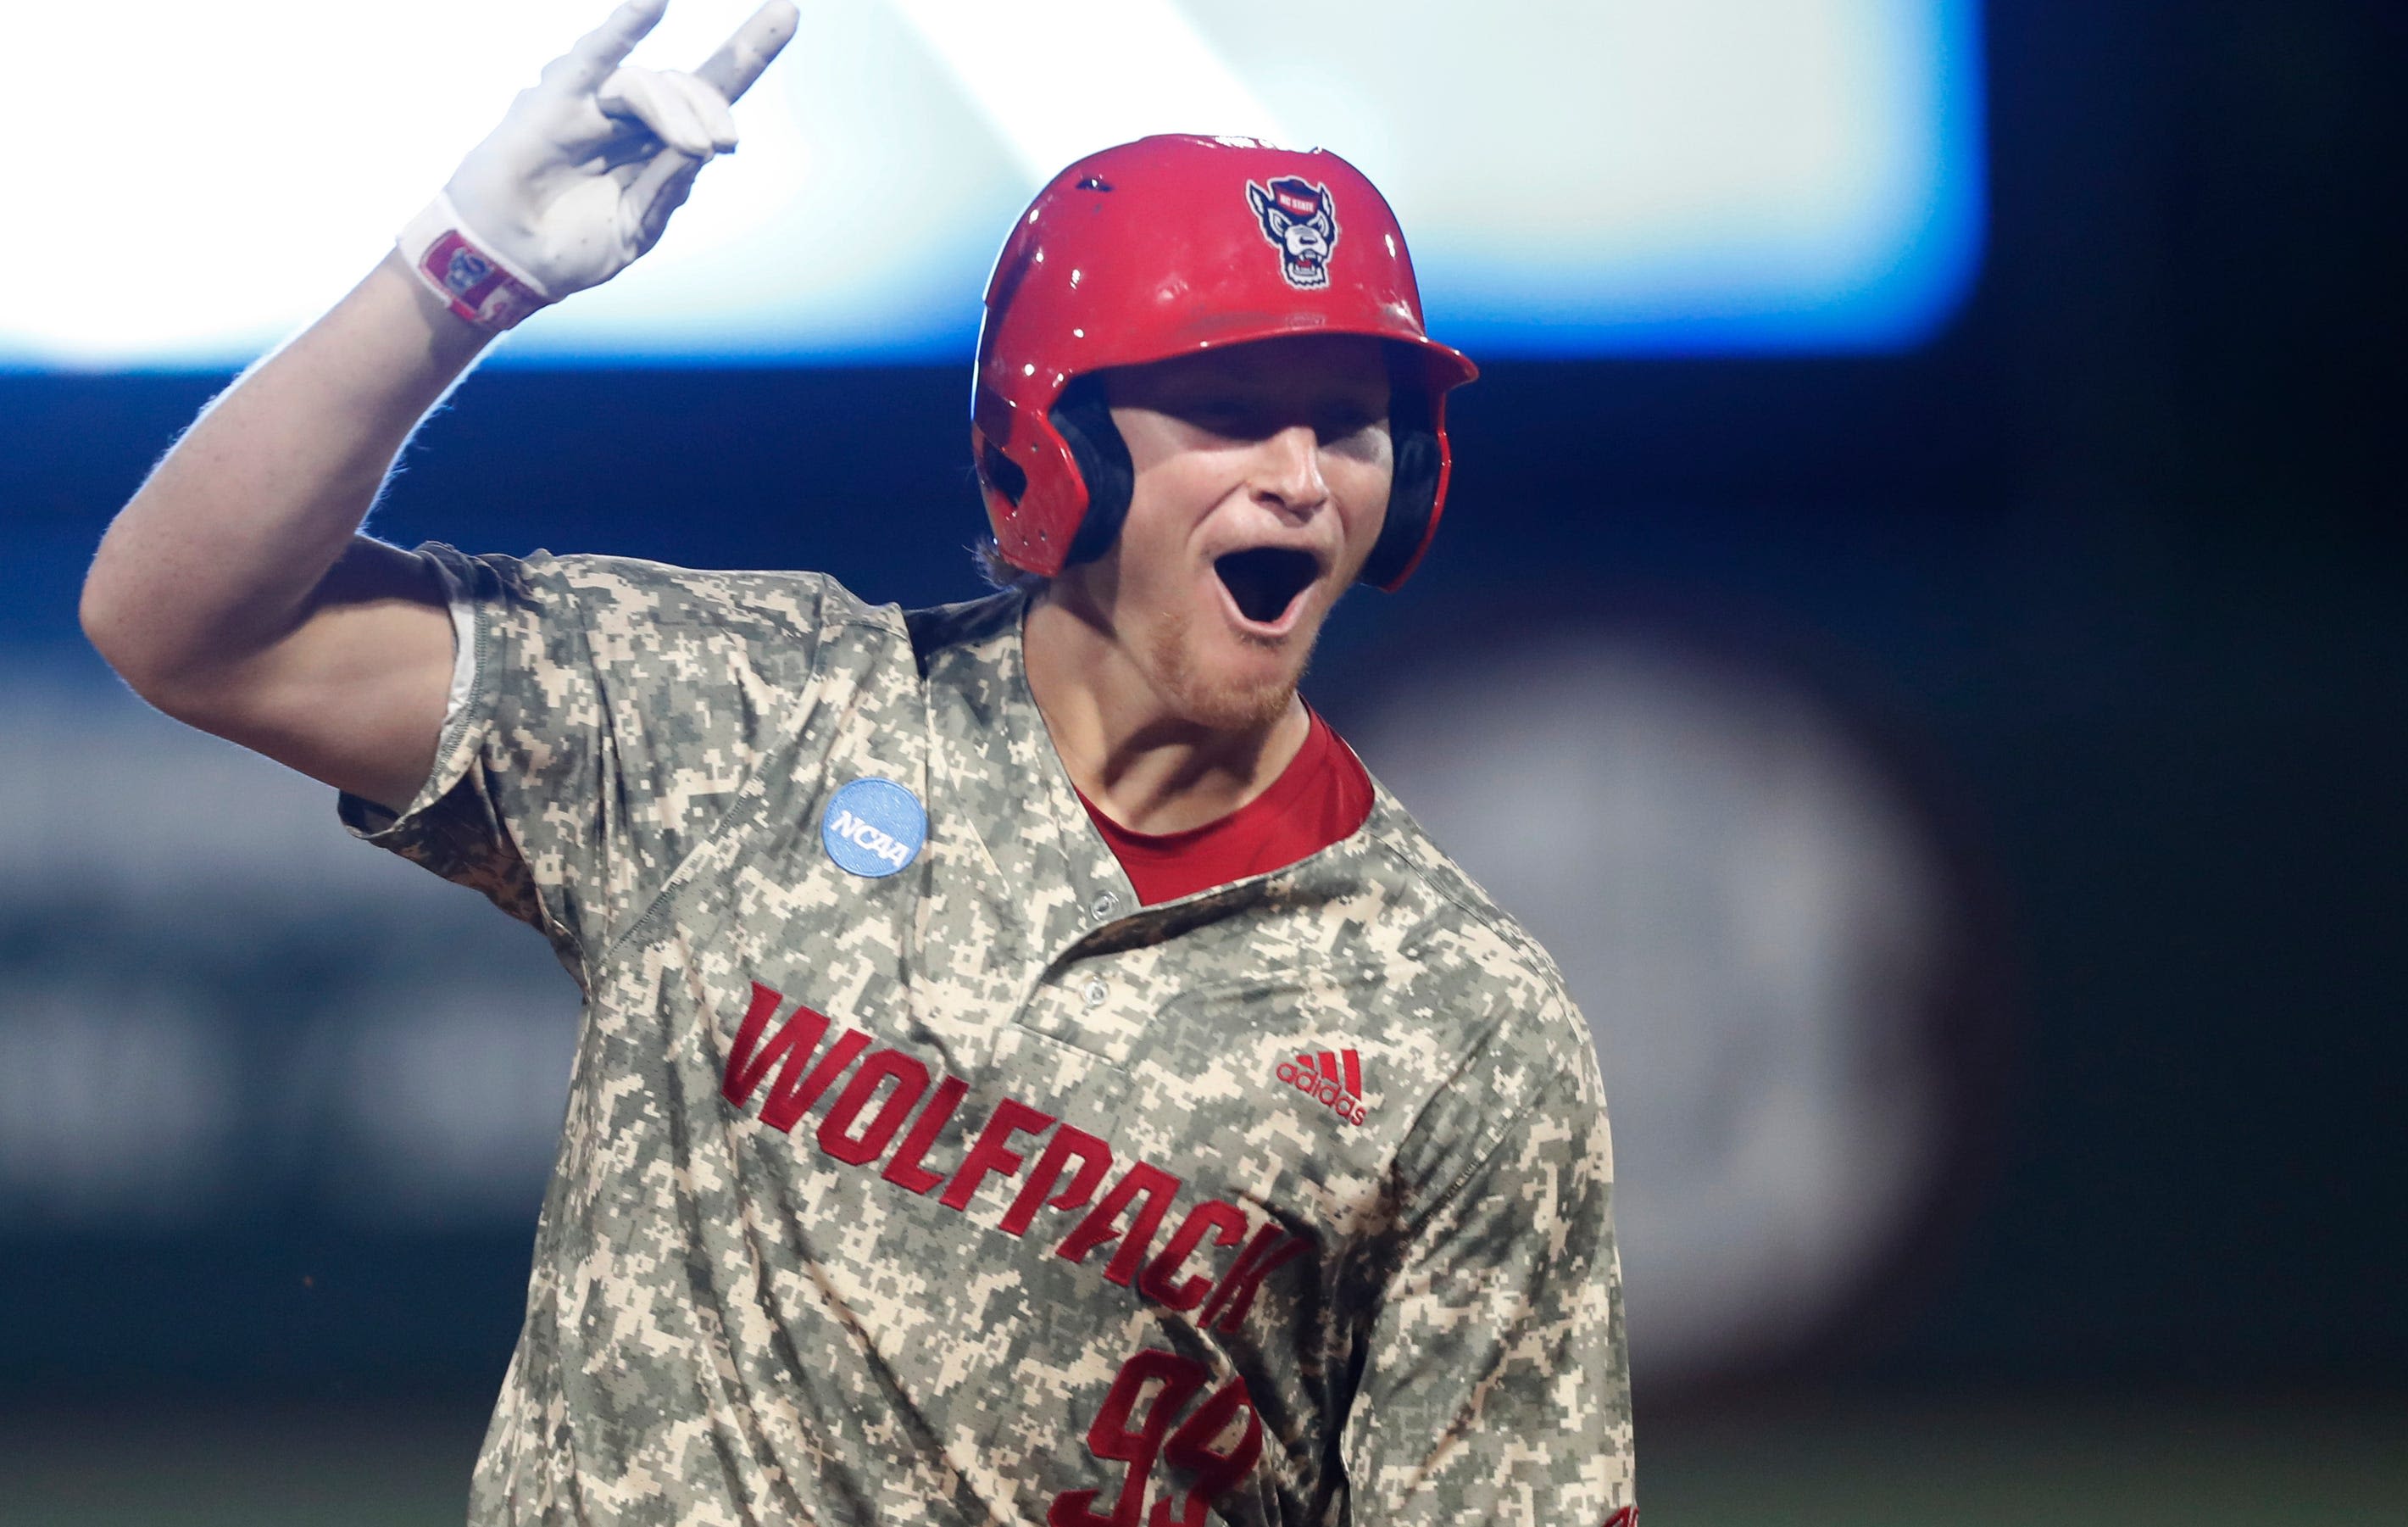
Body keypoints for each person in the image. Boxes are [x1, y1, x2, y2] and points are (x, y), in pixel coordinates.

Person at [79, 3, 1634, 1523]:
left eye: (1353, 424)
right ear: (1057, 447)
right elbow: (182, 627)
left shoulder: (1460, 1020)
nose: (1301, 479)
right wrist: (451, 282)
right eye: (1230, 412)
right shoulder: (754, 716)